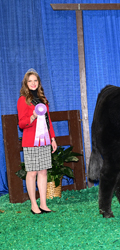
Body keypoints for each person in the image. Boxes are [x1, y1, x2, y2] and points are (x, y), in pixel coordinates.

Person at [17, 68, 57, 214]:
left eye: (35, 81)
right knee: (32, 173)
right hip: (30, 141)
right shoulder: (23, 100)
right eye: (30, 81)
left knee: (43, 172)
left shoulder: (43, 100)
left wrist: (52, 138)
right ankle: (34, 205)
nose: (33, 83)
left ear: (38, 83)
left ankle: (43, 204)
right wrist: (33, 116)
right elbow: (21, 123)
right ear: (26, 84)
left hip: (44, 140)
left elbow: (48, 121)